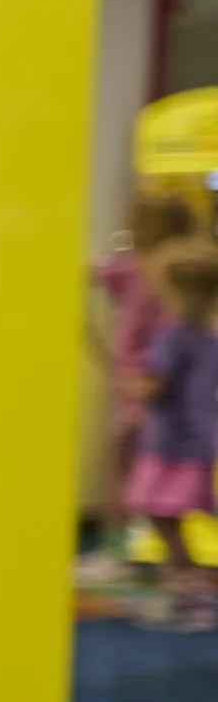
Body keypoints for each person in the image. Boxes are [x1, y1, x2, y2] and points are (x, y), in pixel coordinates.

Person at [91, 194, 200, 566]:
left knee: (132, 467)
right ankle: (131, 547)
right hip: (147, 387)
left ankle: (118, 546)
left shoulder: (152, 272)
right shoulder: (169, 271)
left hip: (148, 389)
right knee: (143, 471)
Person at [127, 239, 218, 632]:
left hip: (170, 443)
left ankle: (186, 583)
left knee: (158, 507)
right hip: (196, 440)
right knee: (175, 509)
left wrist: (135, 387)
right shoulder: (208, 336)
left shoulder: (173, 336)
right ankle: (185, 586)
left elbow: (155, 382)